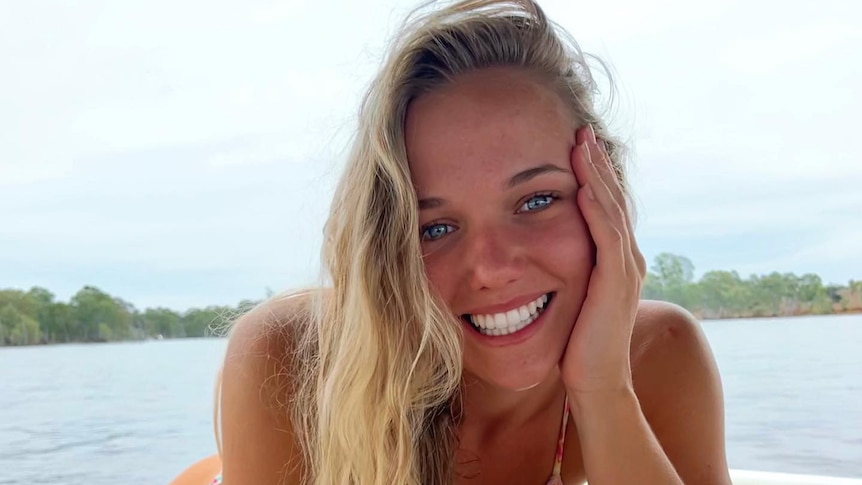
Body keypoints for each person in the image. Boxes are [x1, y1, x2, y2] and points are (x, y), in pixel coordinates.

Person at [170, 0, 730, 483]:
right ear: (388, 248)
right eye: (434, 228)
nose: (490, 268)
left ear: (606, 193)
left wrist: (604, 390)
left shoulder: (656, 355)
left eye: (536, 201)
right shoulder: (293, 361)